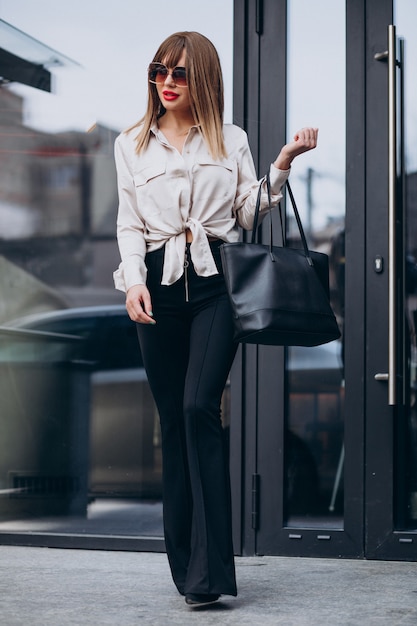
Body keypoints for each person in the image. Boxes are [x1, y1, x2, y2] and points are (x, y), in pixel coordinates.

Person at [114, 31, 318, 609]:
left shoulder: (230, 139)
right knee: (173, 424)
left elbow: (245, 213)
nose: (167, 83)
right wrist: (132, 281)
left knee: (197, 406)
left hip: (214, 285)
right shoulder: (130, 144)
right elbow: (130, 224)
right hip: (155, 284)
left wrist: (280, 165)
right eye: (159, 72)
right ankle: (188, 572)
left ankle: (211, 572)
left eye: (178, 73)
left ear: (202, 78)